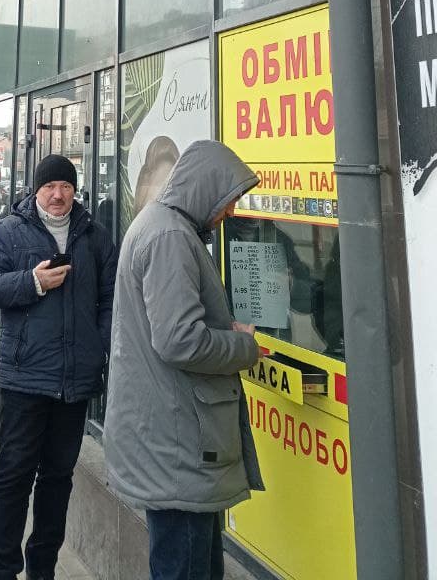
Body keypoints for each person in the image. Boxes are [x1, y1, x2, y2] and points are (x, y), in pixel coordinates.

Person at [103, 140, 264, 580]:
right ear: (206, 187)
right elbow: (179, 341)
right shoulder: (170, 236)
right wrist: (243, 346)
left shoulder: (160, 226)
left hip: (170, 438)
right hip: (178, 444)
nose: (231, 210)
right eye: (228, 199)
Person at [0, 154, 117, 580]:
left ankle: (43, 569)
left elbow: (111, 299)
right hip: (26, 380)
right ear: (36, 190)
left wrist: (98, 346)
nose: (58, 195)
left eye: (66, 186)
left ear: (75, 190)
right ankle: (1, 570)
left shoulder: (94, 236)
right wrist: (31, 282)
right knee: (13, 476)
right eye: (50, 186)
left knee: (57, 479)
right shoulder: (11, 230)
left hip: (74, 382)